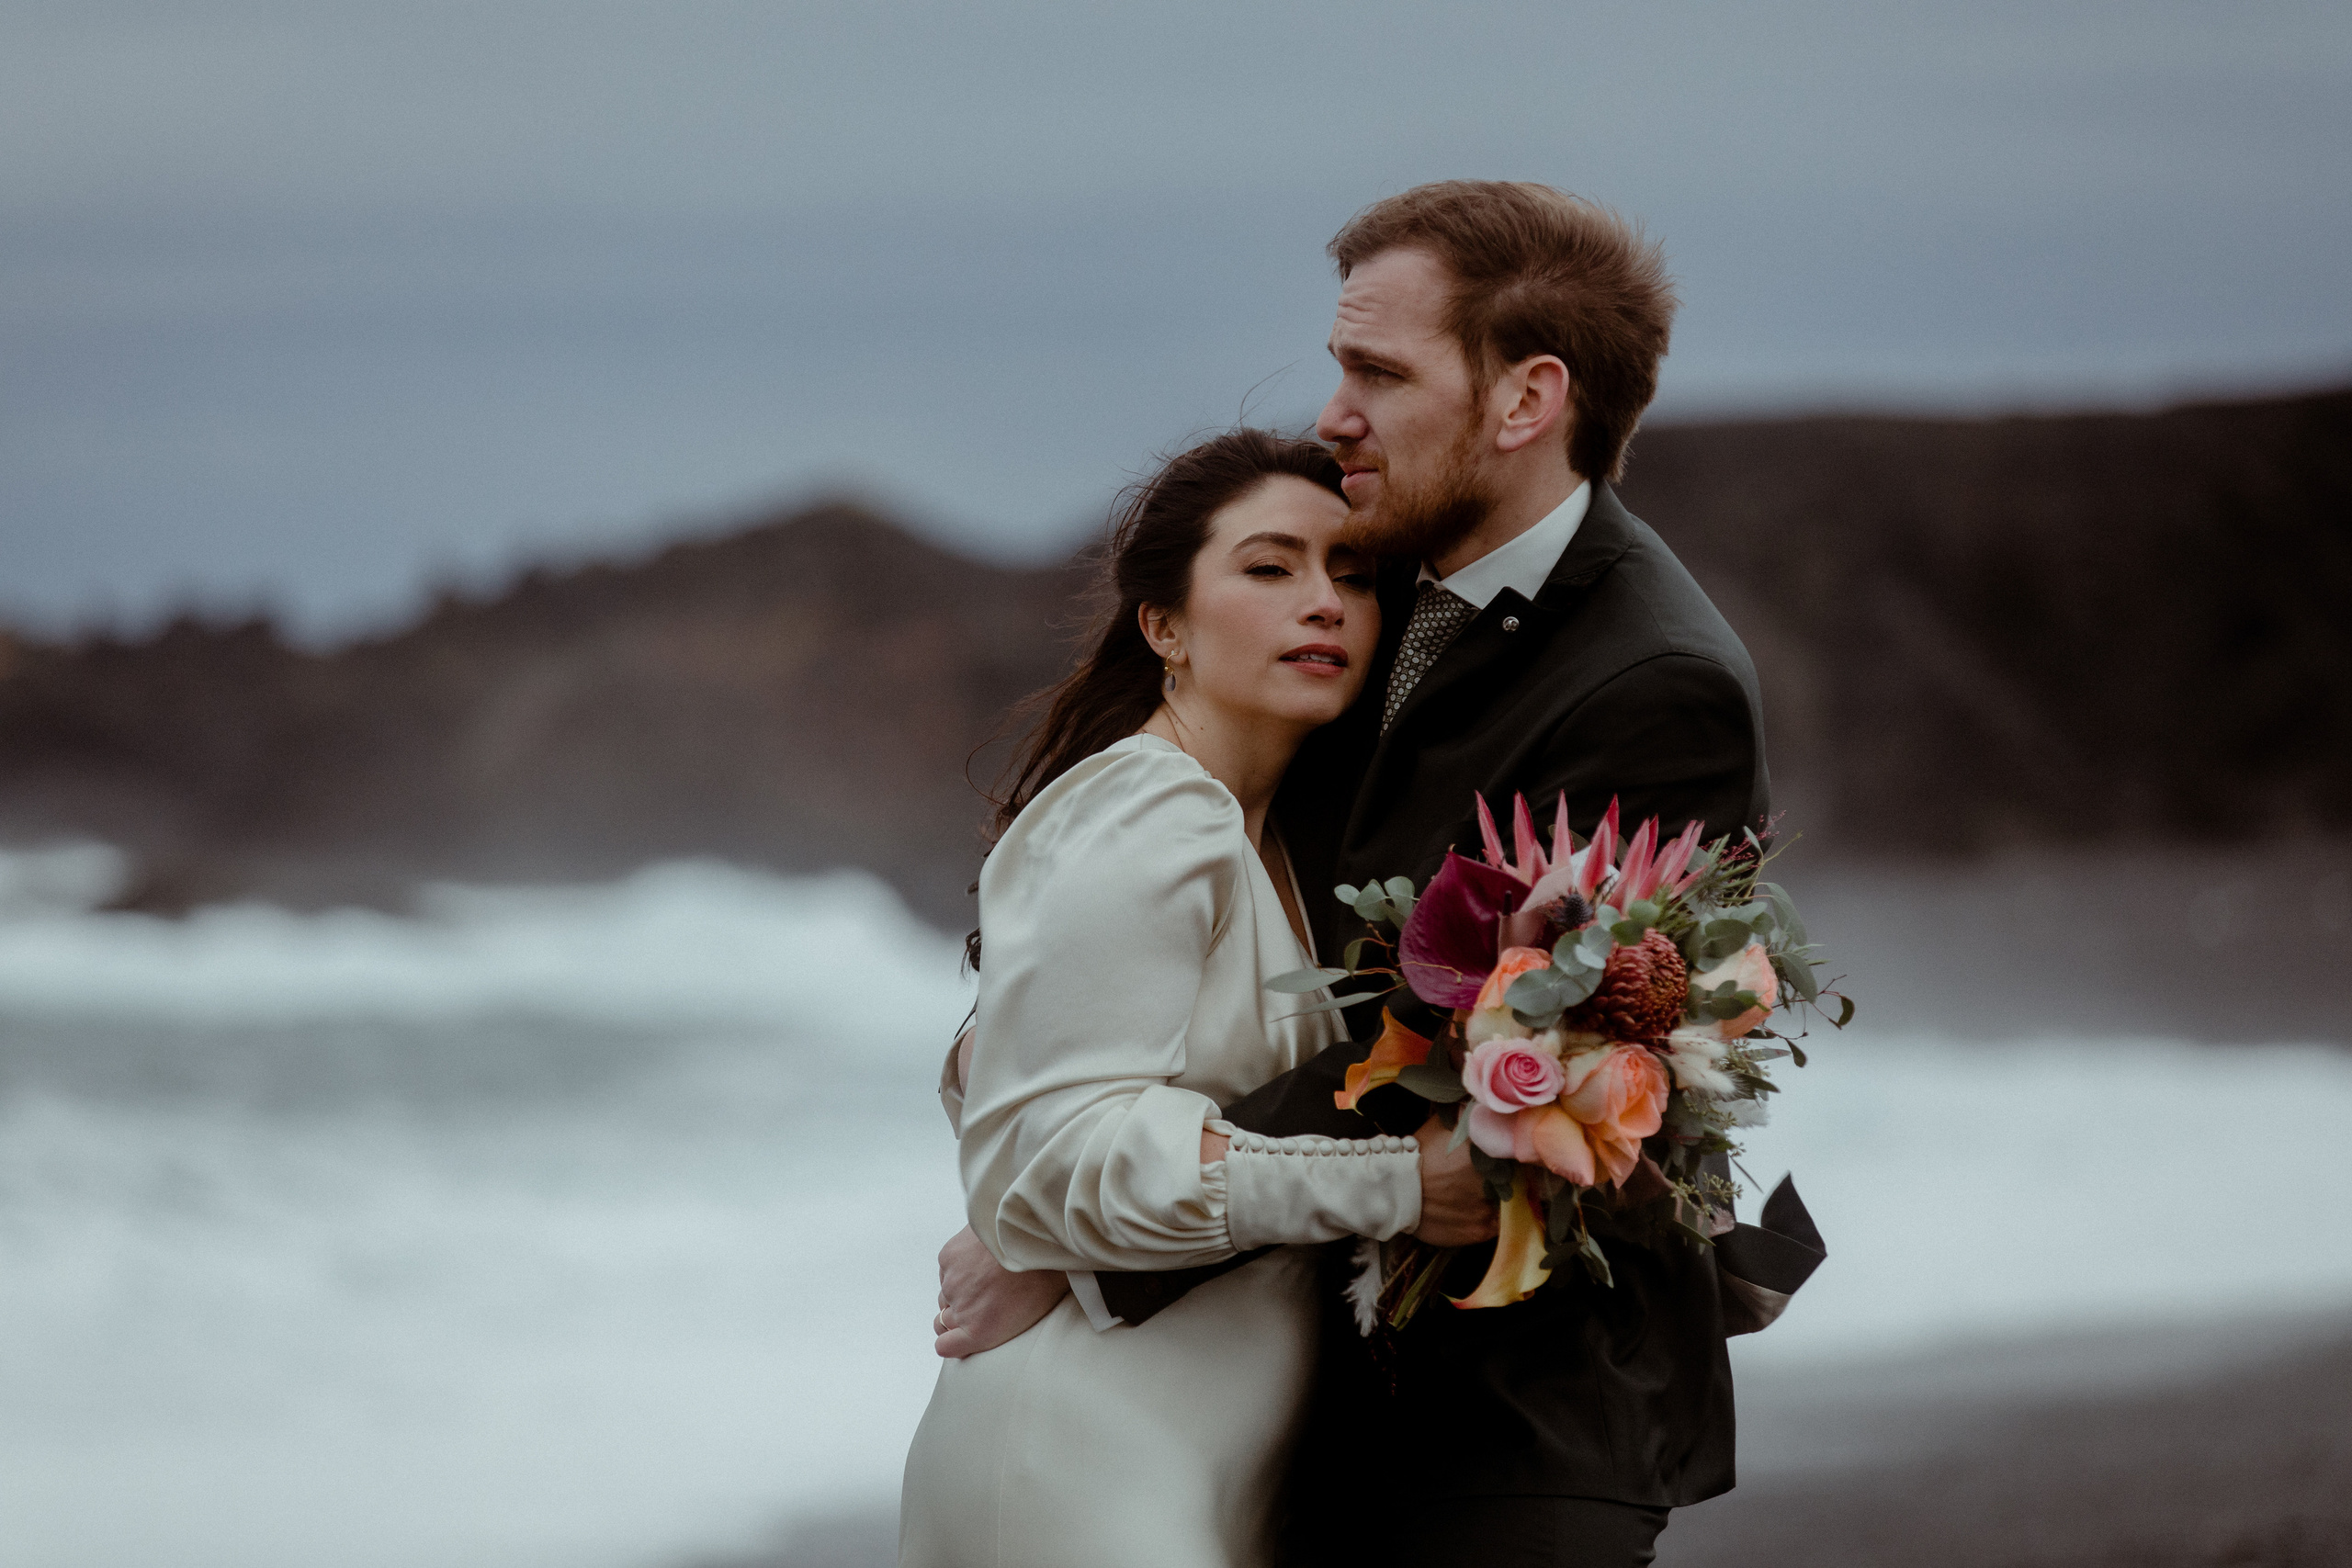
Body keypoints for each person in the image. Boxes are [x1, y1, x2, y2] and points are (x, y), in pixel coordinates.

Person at [931, 182, 1806, 1568]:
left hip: (1507, 1408)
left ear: (1526, 401)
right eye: (1342, 360)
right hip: (1277, 1384)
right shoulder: (1363, 580)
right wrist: (1044, 1076)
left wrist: (1086, 1220)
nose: (1334, 410)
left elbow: (1473, 1044)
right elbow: (1215, 877)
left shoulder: (1656, 682)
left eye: (1377, 372)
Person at [897, 429, 1500, 1568]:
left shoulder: (1265, 836)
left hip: (1195, 1462)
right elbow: (1066, 1159)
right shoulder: (1152, 806)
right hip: (1083, 1454)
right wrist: (1399, 1184)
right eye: (1269, 569)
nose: (1322, 603)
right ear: (1163, 625)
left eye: (1353, 576)